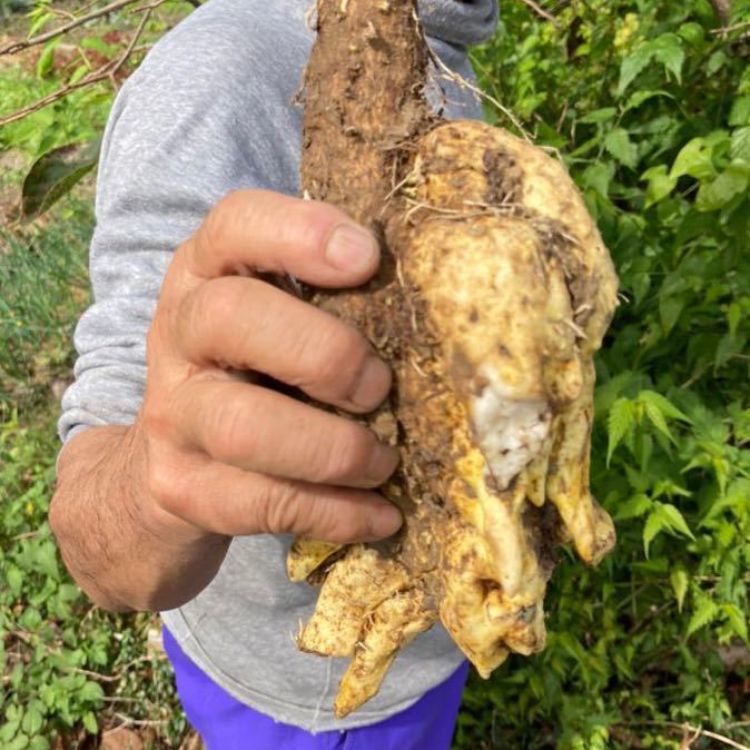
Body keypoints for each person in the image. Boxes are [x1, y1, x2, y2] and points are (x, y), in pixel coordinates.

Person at [50, 0, 499, 747]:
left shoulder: (443, 53)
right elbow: (100, 538)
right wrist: (153, 483)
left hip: (430, 632)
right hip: (314, 690)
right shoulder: (216, 73)